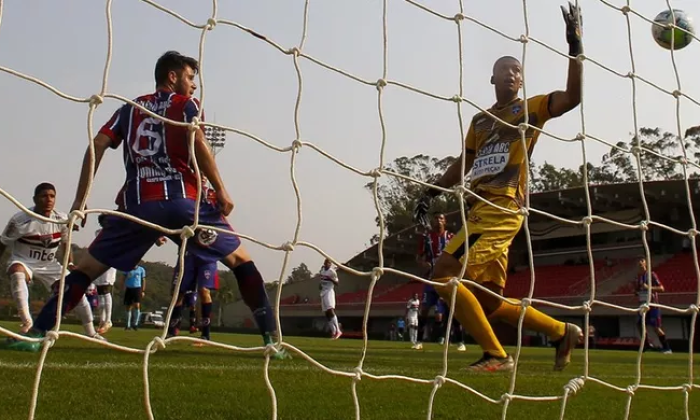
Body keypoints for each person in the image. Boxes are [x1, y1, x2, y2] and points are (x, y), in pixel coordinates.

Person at [4, 51, 276, 354]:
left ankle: (37, 333)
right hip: (185, 204)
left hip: (138, 207)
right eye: (190, 78)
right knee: (241, 262)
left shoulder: (128, 109)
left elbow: (97, 144)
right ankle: (270, 341)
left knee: (86, 269)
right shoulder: (186, 105)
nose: (194, 86)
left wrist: (80, 201)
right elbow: (198, 140)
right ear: (172, 77)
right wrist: (221, 189)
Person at [412, 3, 584, 372]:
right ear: (492, 79)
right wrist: (430, 191)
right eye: (504, 69)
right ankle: (561, 331)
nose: (511, 74)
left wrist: (575, 49)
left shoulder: (531, 110)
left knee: (443, 274)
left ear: (521, 81)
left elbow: (572, 98)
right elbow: (465, 162)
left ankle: (497, 355)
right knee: (487, 300)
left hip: (503, 207)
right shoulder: (480, 120)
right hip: (477, 209)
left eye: (516, 70)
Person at [0, 183, 102, 341]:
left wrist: (69, 264)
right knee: (17, 273)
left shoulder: (61, 219)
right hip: (24, 261)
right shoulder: (19, 220)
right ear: (35, 199)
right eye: (44, 196)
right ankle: (27, 323)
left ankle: (91, 332)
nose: (48, 199)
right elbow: (3, 243)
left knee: (75, 288)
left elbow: (66, 245)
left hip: (50, 264)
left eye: (52, 196)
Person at [415, 213, 453, 349]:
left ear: (445, 221)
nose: (438, 221)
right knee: (424, 309)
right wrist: (423, 264)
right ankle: (419, 341)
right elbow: (419, 257)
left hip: (447, 280)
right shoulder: (426, 238)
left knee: (449, 310)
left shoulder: (451, 238)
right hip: (431, 280)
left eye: (441, 218)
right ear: (432, 221)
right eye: (436, 218)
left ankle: (451, 339)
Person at [635, 256, 672, 354]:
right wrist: (637, 292)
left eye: (642, 263)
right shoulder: (638, 277)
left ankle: (667, 347)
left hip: (653, 305)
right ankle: (647, 345)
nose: (641, 265)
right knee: (639, 325)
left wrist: (648, 287)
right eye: (639, 264)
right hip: (643, 305)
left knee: (656, 327)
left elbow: (661, 288)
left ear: (645, 264)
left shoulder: (651, 275)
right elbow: (638, 290)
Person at [93, 215, 117, 334]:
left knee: (106, 290)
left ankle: (108, 320)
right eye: (102, 222)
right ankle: (102, 320)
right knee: (100, 292)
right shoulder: (98, 233)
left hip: (109, 263)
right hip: (98, 262)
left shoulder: (116, 232)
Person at [319, 258, 341, 339]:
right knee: (327, 314)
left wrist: (330, 279)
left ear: (330, 264)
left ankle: (338, 330)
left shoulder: (332, 272)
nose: (327, 264)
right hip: (323, 292)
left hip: (329, 291)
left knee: (330, 310)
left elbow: (337, 283)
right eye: (326, 262)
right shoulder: (322, 270)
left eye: (328, 263)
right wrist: (320, 285)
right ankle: (333, 331)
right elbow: (321, 280)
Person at [123, 265, 146, 331]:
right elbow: (123, 277)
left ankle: (135, 324)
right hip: (129, 288)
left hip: (137, 288)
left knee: (137, 305)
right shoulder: (127, 268)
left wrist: (143, 290)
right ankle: (128, 325)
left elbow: (143, 280)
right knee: (128, 307)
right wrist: (122, 287)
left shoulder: (141, 269)